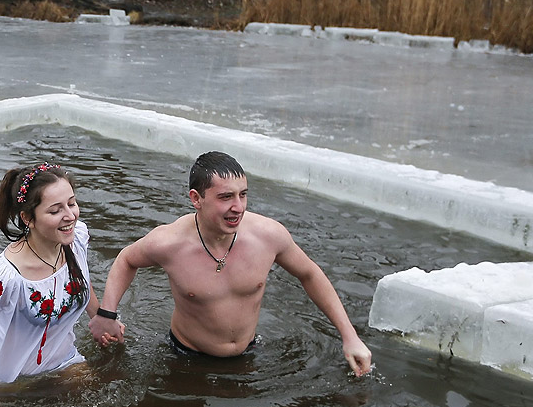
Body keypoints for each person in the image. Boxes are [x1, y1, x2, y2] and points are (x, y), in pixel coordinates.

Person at [89, 151, 373, 376]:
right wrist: (107, 314)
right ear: (196, 199)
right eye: (225, 197)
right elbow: (127, 259)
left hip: (249, 354)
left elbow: (310, 274)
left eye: (243, 194)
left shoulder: (268, 235)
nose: (238, 206)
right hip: (184, 359)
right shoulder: (169, 243)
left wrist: (350, 337)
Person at [0, 163, 119, 385]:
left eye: (72, 203)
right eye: (55, 210)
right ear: (28, 218)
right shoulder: (6, 278)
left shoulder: (74, 240)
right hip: (14, 381)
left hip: (66, 362)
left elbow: (81, 280)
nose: (70, 216)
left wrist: (102, 319)